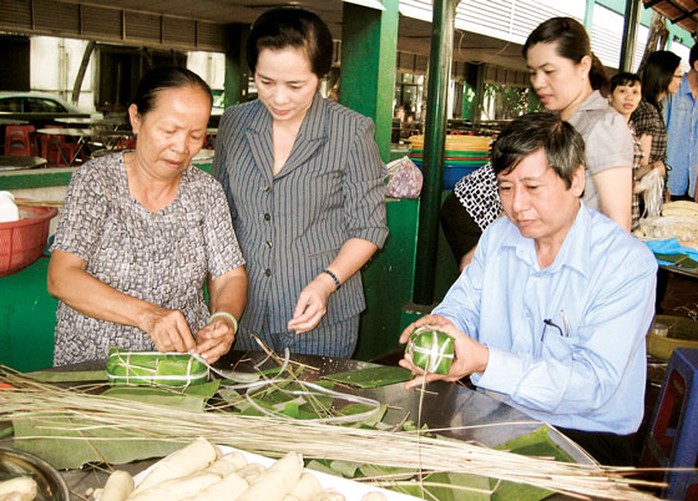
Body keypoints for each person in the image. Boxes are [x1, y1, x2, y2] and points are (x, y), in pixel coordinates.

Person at [399, 113, 657, 466]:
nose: (517, 206)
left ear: (576, 179)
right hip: (495, 413)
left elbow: (593, 384)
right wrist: (442, 326)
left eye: (533, 187)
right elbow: (465, 304)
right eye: (506, 188)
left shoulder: (626, 263)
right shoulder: (498, 236)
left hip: (583, 433)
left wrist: (486, 361)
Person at [213, 7, 388, 358]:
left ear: (321, 75)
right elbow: (220, 216)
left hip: (321, 312)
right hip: (244, 309)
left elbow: (369, 228)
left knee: (311, 407)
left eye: (296, 85)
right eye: (265, 82)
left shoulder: (351, 131)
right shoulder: (234, 122)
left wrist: (327, 283)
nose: (279, 98)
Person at [48, 66, 248, 366]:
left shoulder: (205, 192)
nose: (182, 148)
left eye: (196, 136)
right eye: (169, 131)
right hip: (94, 368)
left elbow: (229, 275)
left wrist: (223, 319)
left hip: (179, 369)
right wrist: (148, 316)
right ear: (136, 118)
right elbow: (61, 277)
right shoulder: (97, 181)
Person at [524, 17, 635, 231]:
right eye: (533, 72)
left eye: (549, 71)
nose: (538, 82)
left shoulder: (604, 125)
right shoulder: (558, 121)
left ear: (584, 66)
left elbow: (618, 226)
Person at [631, 50, 682, 196]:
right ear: (664, 75)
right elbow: (642, 165)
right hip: (642, 197)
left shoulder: (656, 107)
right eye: (678, 76)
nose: (680, 81)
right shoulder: (647, 112)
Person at [608, 72, 644, 228]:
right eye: (622, 91)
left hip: (630, 209)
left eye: (635, 92)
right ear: (610, 96)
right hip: (609, 212)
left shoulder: (630, 129)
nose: (629, 97)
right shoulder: (607, 127)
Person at [664, 44, 698, 201]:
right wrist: (663, 184)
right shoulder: (672, 91)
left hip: (695, 186)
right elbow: (659, 135)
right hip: (669, 184)